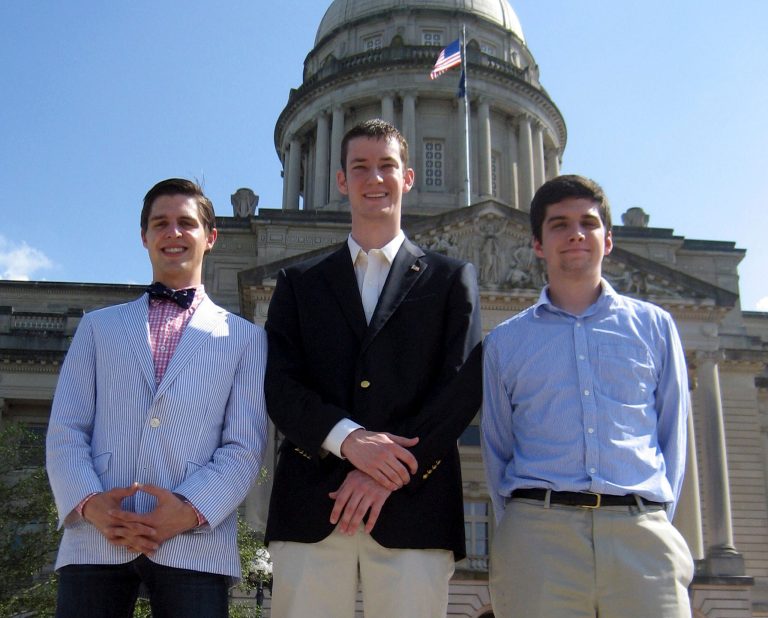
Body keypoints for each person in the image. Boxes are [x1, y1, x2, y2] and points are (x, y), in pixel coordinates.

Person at [264, 119, 482, 618]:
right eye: (360, 167)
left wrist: (386, 472)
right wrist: (349, 440)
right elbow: (279, 386)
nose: (374, 178)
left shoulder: (452, 278)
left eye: (386, 166)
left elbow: (460, 389)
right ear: (341, 180)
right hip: (313, 507)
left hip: (415, 509)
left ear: (408, 178)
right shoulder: (298, 283)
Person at [46, 178, 268, 618]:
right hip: (97, 535)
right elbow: (67, 429)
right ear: (144, 236)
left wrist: (188, 510)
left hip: (194, 540)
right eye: (160, 223)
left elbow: (243, 447)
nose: (173, 233)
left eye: (186, 223)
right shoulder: (98, 327)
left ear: (210, 237)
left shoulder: (246, 338)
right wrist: (91, 503)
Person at [481, 174, 694, 617]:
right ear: (537, 244)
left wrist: (650, 516)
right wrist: (525, 524)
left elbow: (674, 437)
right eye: (558, 224)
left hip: (641, 536)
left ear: (608, 240)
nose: (575, 233)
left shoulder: (654, 326)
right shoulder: (505, 341)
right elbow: (496, 446)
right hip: (537, 538)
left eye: (588, 223)